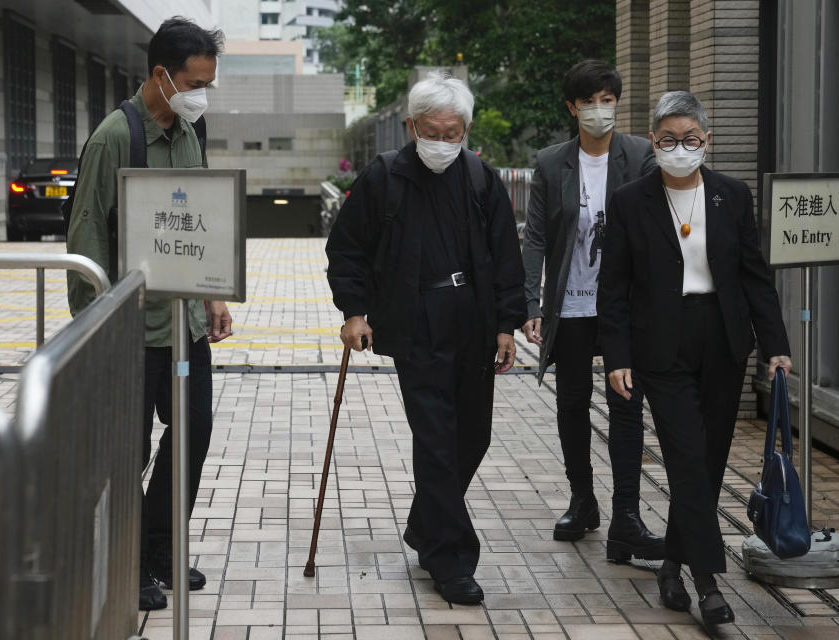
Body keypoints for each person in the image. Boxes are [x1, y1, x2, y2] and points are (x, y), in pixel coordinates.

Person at [325, 72, 526, 605]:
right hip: (416, 324)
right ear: (412, 126)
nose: (443, 143)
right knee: (436, 442)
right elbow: (347, 249)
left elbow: (507, 256)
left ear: (466, 131)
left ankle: (424, 523)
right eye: (433, 132)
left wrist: (507, 324)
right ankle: (451, 559)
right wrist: (354, 313)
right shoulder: (384, 177)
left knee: (473, 437)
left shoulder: (481, 178)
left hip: (474, 322)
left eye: (454, 133)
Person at [598, 91, 792, 625]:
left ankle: (672, 564)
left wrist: (776, 345)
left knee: (707, 463)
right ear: (654, 142)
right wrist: (616, 354)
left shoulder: (732, 194)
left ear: (706, 140)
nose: (679, 148)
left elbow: (754, 275)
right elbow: (613, 287)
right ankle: (707, 584)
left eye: (689, 139)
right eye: (668, 140)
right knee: (685, 456)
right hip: (660, 343)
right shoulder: (631, 200)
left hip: (723, 339)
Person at [66, 17, 231, 612]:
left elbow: (201, 216)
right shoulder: (116, 136)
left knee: (193, 432)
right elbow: (86, 239)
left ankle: (158, 546)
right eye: (193, 82)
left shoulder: (192, 128)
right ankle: (124, 557)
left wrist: (212, 294)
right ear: (161, 75)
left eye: (208, 83)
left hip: (184, 326)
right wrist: (97, 332)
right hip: (132, 329)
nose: (201, 95)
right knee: (127, 450)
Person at [521, 60, 664, 560]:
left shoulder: (641, 156)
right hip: (572, 304)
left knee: (626, 407)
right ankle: (583, 500)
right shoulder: (550, 162)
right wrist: (532, 303)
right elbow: (536, 236)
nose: (600, 111)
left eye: (608, 101)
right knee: (571, 406)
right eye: (589, 102)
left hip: (621, 307)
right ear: (572, 108)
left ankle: (627, 515)